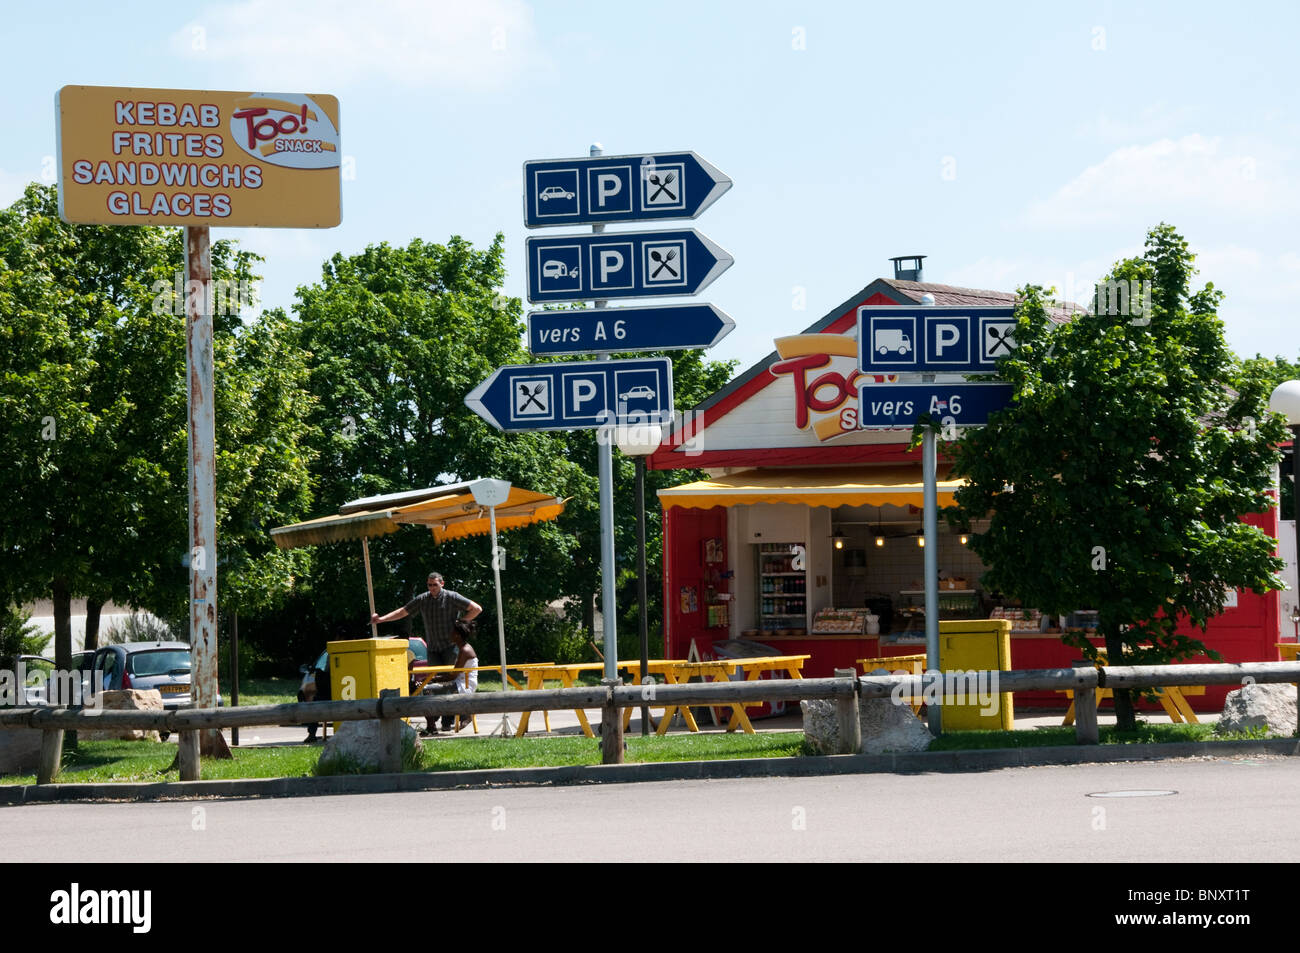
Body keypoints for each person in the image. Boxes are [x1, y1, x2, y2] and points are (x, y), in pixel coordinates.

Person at [373, 571, 482, 723]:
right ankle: (433, 721)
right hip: (432, 648)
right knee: (435, 684)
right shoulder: (423, 599)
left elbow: (476, 609)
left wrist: (460, 623)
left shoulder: (452, 597)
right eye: (429, 585)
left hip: (450, 647)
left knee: (450, 682)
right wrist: (381, 619)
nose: (432, 588)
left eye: (435, 585)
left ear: (442, 584)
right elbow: (403, 611)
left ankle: (448, 720)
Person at [419, 619, 479, 734]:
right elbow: (454, 674)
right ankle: (435, 721)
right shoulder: (463, 648)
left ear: (457, 635)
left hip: (463, 685)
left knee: (426, 690)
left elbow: (452, 676)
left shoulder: (465, 650)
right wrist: (433, 679)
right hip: (460, 682)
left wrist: (432, 679)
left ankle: (432, 727)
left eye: (452, 632)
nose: (449, 635)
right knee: (429, 688)